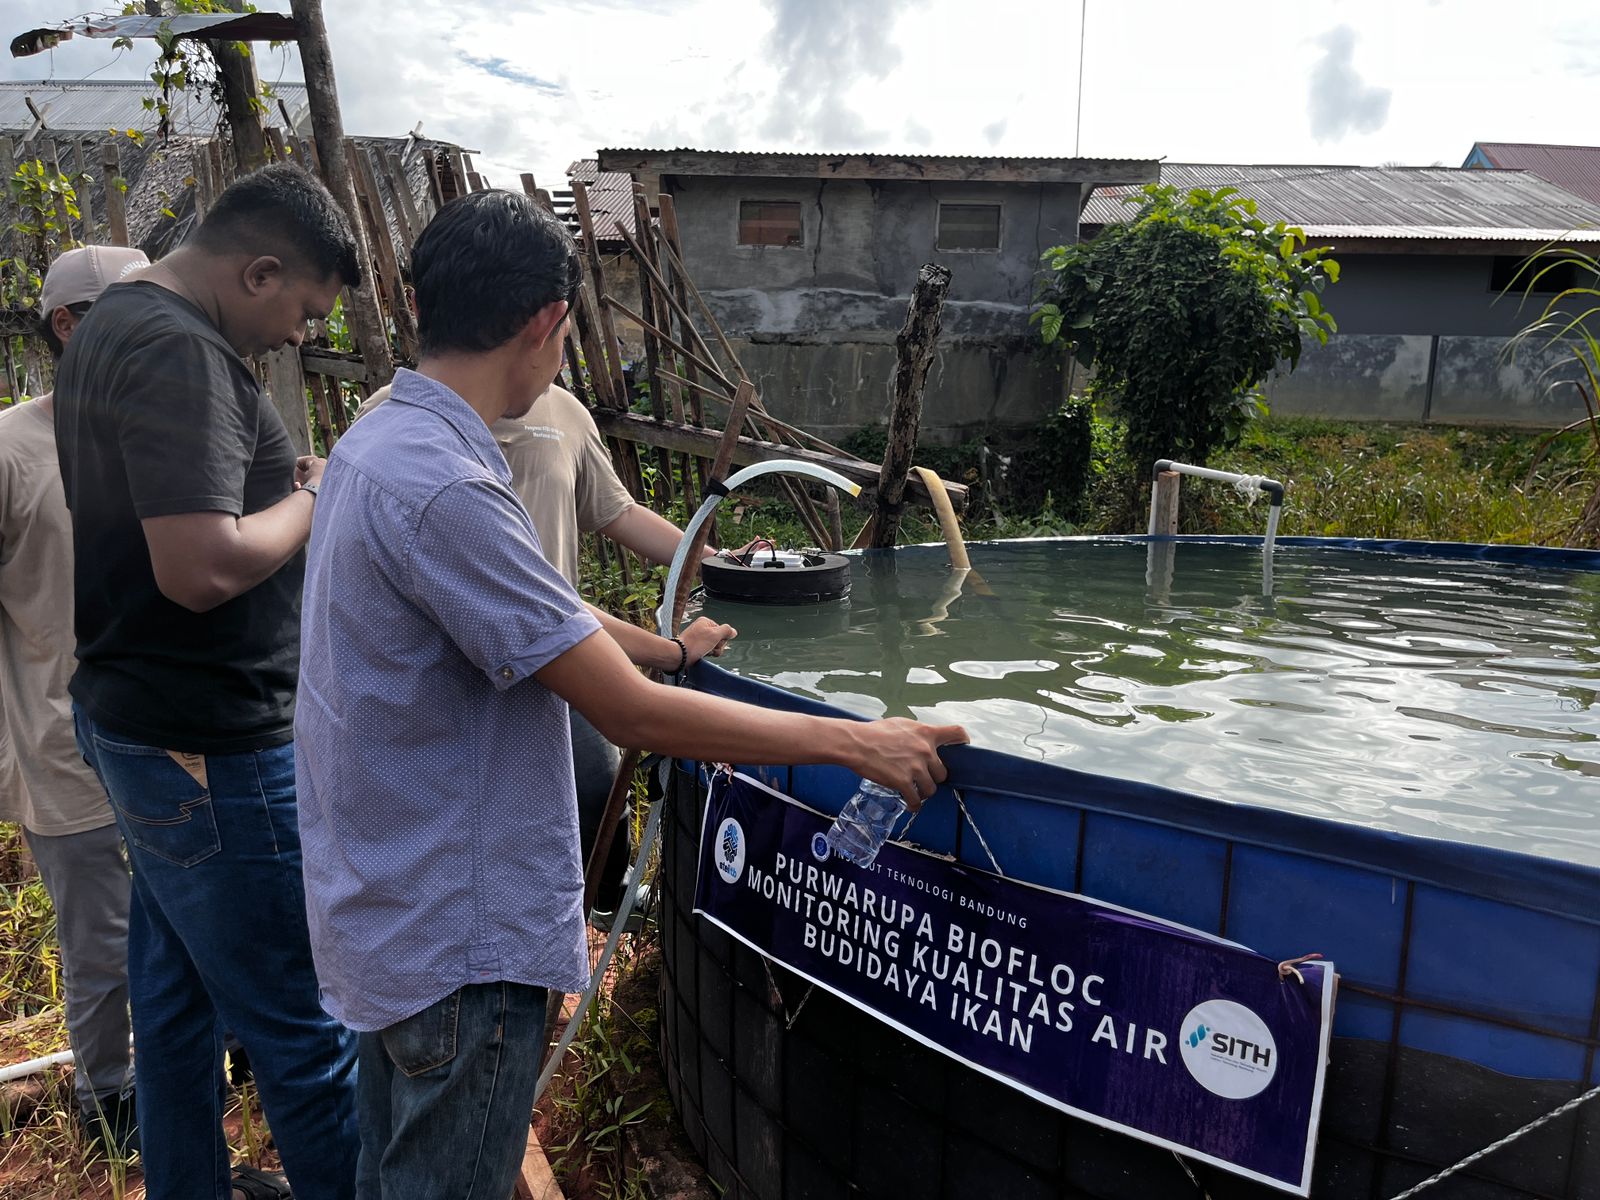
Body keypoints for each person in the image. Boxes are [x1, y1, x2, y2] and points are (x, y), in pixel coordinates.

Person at [295, 187, 968, 1198]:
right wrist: (859, 744)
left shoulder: (374, 447)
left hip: (389, 912)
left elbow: (538, 617)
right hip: (458, 948)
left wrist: (659, 646)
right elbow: (629, 716)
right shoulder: (446, 486)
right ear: (545, 324)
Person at [52, 164, 361, 1200]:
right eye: (304, 311)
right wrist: (318, 492)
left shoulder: (113, 322)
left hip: (141, 723)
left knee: (176, 995)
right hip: (209, 746)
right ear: (259, 269)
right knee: (303, 1025)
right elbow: (203, 566)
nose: (302, 336)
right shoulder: (183, 353)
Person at [355, 372, 735, 916]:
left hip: (561, 651)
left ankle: (598, 900)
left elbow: (617, 511)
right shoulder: (396, 418)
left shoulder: (564, 414)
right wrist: (668, 650)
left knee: (595, 787)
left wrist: (719, 561)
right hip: (452, 662)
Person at [0, 245, 148, 1154]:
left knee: (200, 920)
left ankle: (217, 1056)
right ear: (69, 327)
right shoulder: (13, 451)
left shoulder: (167, 434)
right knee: (102, 943)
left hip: (180, 743)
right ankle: (109, 1095)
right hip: (64, 750)